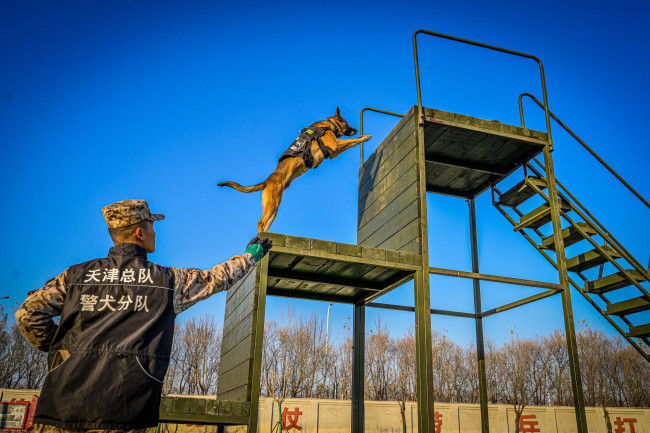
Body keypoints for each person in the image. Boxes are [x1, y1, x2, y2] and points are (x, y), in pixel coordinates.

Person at [15, 199, 272, 433]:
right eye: (152, 226)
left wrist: (61, 353)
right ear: (139, 232)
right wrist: (250, 257)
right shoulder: (168, 281)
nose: (155, 232)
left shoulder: (75, 276)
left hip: (59, 411)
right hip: (123, 414)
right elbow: (217, 278)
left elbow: (27, 314)